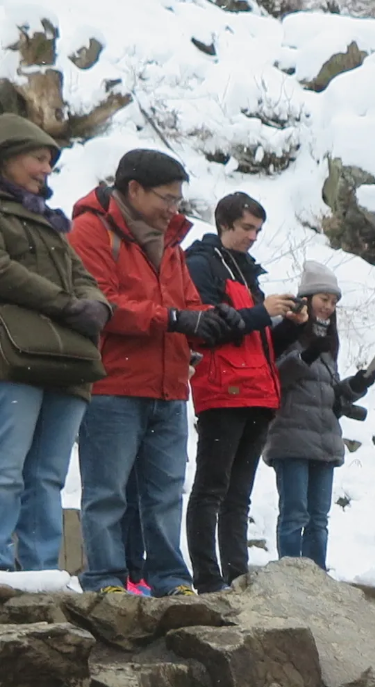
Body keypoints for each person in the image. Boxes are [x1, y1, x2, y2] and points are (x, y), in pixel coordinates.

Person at [68, 149, 239, 596]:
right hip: (113, 384)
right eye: (167, 198)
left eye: (178, 200)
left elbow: (185, 304)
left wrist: (214, 321)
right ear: (134, 189)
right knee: (107, 492)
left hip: (169, 387)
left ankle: (169, 580)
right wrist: (178, 321)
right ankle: (104, 579)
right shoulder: (90, 230)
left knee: (165, 493)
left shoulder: (172, 243)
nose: (173, 209)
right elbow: (102, 304)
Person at [0, 114, 109, 573]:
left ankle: (42, 572)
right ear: (7, 156)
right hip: (16, 358)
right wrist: (67, 307)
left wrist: (96, 306)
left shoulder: (51, 222)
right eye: (38, 158)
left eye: (50, 161)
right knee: (6, 470)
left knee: (47, 475)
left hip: (68, 364)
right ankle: (3, 566)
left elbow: (84, 277)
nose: (47, 169)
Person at [182, 191, 302, 592]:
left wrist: (290, 323)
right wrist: (262, 311)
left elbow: (256, 337)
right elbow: (210, 326)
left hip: (256, 392)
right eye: (248, 227)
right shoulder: (201, 264)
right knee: (211, 489)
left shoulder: (247, 270)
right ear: (224, 224)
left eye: (258, 229)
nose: (254, 236)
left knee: (239, 495)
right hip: (222, 391)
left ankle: (236, 574)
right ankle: (207, 579)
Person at [260, 261, 375, 570]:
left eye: (334, 301)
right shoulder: (287, 331)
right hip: (291, 437)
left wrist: (357, 385)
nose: (329, 306)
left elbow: (329, 393)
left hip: (324, 440)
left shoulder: (328, 342)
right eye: (324, 299)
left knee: (318, 520)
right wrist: (307, 354)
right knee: (294, 515)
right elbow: (276, 376)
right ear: (307, 299)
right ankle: (290, 579)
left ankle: (317, 581)